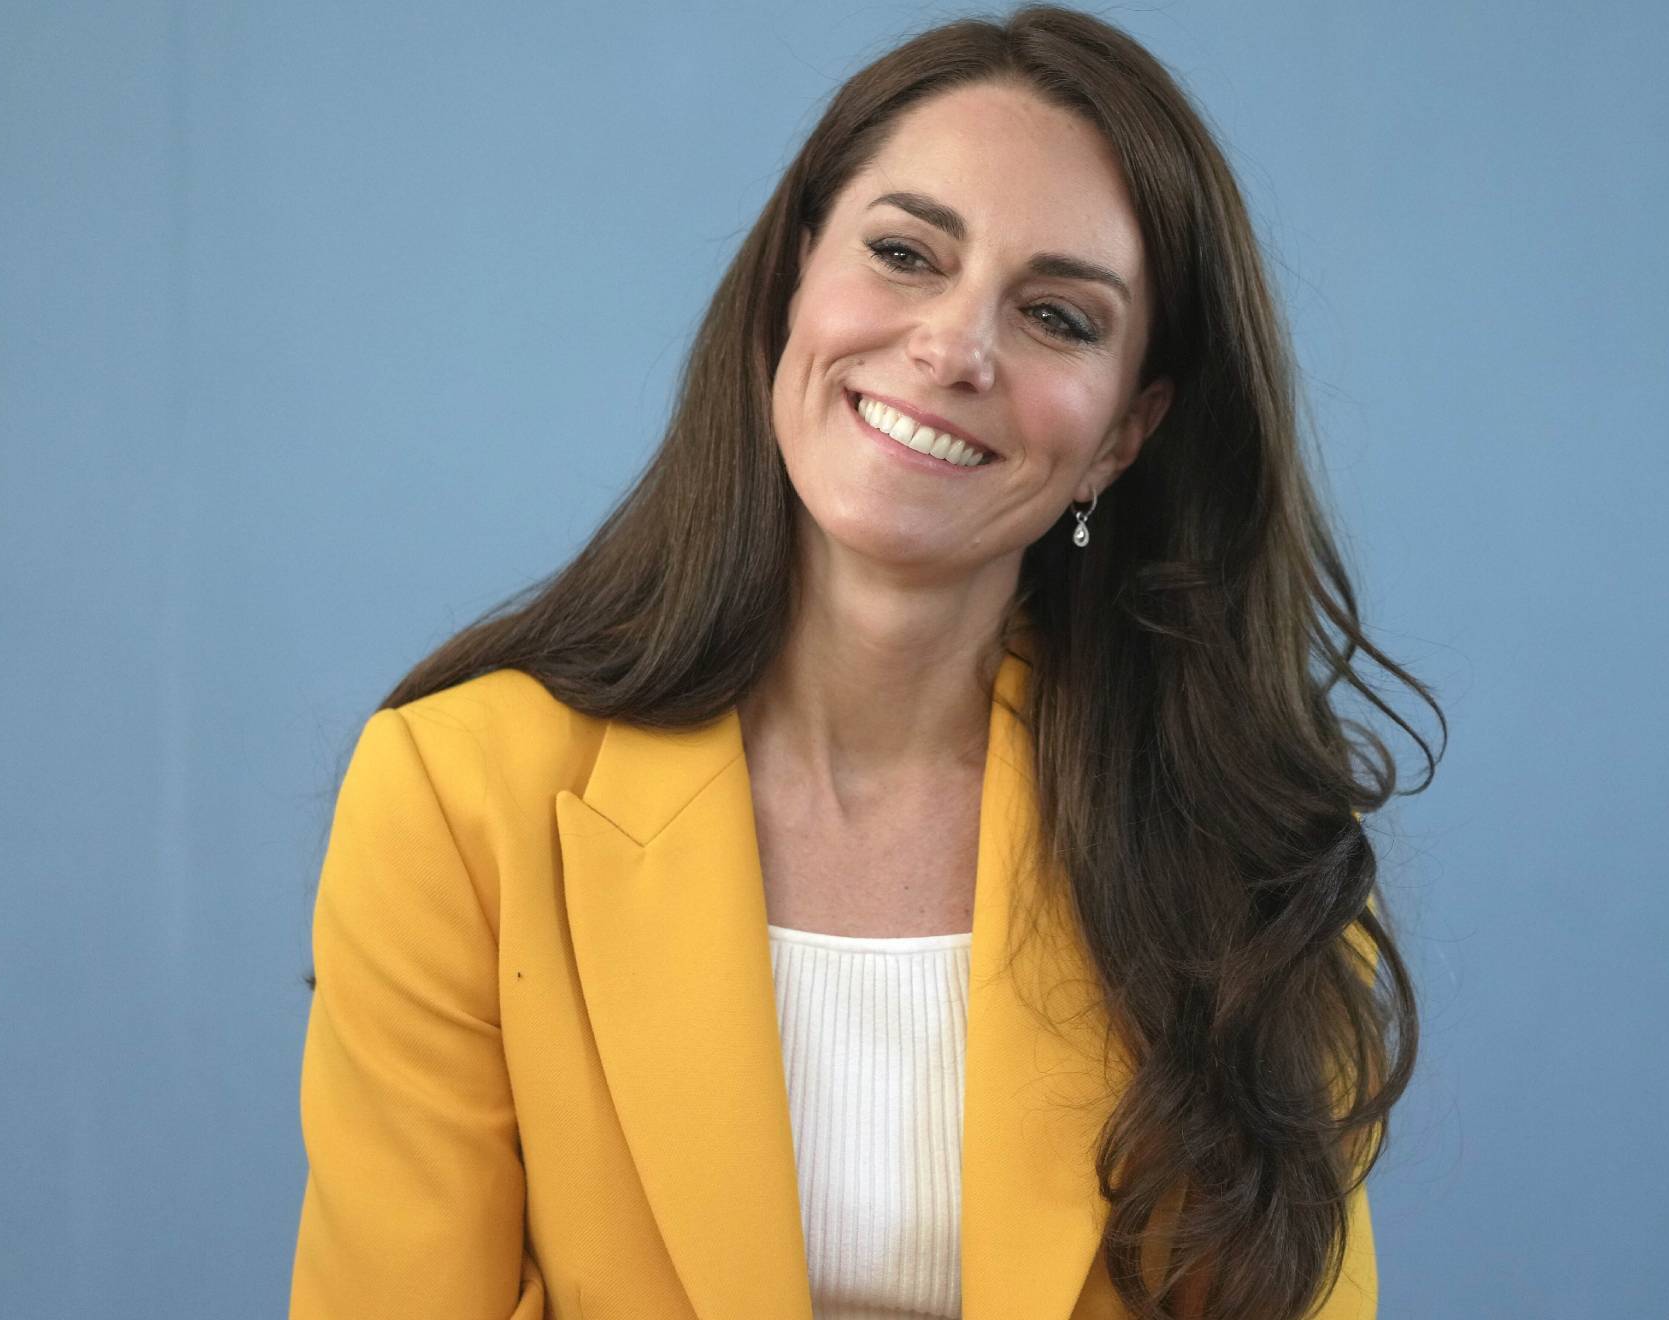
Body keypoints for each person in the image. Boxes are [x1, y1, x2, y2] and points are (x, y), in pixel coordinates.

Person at [288, 5, 1441, 1318]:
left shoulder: (1250, 852)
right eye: (904, 253)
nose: (955, 347)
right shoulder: (455, 797)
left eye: (1059, 317)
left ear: (1127, 433)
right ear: (794, 280)